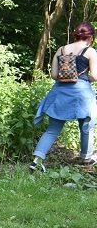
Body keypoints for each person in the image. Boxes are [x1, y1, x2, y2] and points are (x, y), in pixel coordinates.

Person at [31, 22, 97, 171]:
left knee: (52, 129)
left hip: (60, 92)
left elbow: (54, 75)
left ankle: (37, 160)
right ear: (90, 37)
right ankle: (86, 158)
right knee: (86, 125)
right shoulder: (91, 51)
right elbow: (94, 76)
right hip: (82, 94)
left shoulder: (61, 50)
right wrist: (84, 77)